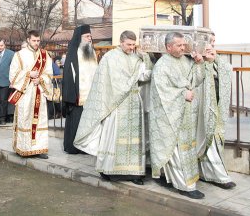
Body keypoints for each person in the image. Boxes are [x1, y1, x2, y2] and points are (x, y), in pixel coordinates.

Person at [74, 30, 152, 185]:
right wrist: (134, 77)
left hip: (134, 103)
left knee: (134, 140)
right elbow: (114, 84)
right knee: (114, 138)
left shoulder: (137, 58)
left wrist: (146, 59)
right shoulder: (110, 57)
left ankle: (134, 172)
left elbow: (145, 77)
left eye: (133, 45)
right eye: (128, 44)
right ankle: (109, 169)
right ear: (121, 42)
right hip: (116, 105)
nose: (131, 47)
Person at [149, 32, 205, 199]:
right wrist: (182, 95)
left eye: (183, 45)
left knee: (184, 150)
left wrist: (199, 64)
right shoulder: (161, 66)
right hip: (169, 116)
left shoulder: (185, 61)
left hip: (185, 114)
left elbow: (197, 79)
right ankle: (185, 186)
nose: (183, 48)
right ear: (168, 47)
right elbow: (162, 92)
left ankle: (169, 178)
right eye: (179, 45)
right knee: (174, 151)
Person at [196, 33, 236, 189]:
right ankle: (211, 175)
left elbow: (226, 71)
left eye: (213, 42)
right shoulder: (195, 59)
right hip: (198, 108)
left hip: (213, 107)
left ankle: (217, 175)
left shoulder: (217, 59)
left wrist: (214, 61)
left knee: (212, 139)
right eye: (209, 42)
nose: (212, 45)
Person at [9, 30, 53, 159]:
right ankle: (23, 148)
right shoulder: (19, 55)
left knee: (39, 120)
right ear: (28, 40)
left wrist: (41, 79)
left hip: (39, 90)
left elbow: (49, 74)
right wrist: (28, 74)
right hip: (25, 93)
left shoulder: (45, 55)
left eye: (38, 41)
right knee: (25, 119)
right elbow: (13, 75)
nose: (36, 43)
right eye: (34, 40)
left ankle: (39, 149)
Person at [62, 24, 98, 154]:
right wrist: (72, 96)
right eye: (87, 36)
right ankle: (73, 147)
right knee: (76, 121)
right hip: (78, 96)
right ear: (80, 37)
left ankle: (85, 146)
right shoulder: (73, 53)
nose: (90, 38)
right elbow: (68, 76)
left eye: (90, 36)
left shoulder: (92, 52)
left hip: (91, 95)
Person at [0, 39, 15, 125]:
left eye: (1, 46)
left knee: (3, 101)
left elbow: (14, 68)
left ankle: (2, 119)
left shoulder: (11, 54)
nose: (0, 47)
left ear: (5, 45)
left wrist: (12, 81)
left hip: (5, 81)